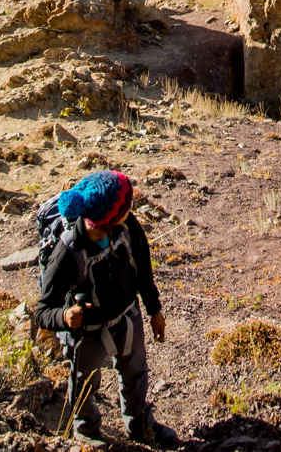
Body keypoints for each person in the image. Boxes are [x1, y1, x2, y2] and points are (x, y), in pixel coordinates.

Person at [33, 170, 178, 448]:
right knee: (85, 385)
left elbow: (143, 269)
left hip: (126, 317)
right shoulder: (67, 252)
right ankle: (88, 433)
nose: (131, 210)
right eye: (126, 206)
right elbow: (42, 312)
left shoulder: (127, 226)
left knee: (135, 373)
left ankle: (140, 425)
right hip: (86, 333)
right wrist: (64, 317)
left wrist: (154, 309)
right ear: (108, 219)